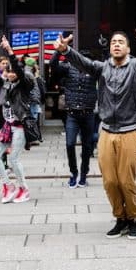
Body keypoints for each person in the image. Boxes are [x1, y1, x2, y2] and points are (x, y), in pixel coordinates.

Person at [55, 28, 136, 239]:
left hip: (130, 132)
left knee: (126, 181)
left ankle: (133, 218)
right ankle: (120, 218)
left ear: (128, 48)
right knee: (110, 181)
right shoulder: (102, 69)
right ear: (110, 48)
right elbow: (83, 62)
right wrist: (66, 50)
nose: (117, 45)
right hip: (107, 132)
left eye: (121, 42)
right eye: (114, 42)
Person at [0, 37, 35, 204]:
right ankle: (8, 185)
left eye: (13, 71)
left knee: (13, 159)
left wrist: (10, 51)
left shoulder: (25, 85)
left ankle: (23, 189)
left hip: (20, 127)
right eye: (8, 71)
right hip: (7, 126)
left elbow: (20, 73)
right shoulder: (6, 84)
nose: (10, 73)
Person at [50, 47, 97, 188]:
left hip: (88, 113)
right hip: (72, 114)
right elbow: (53, 65)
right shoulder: (68, 68)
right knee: (70, 144)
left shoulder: (93, 69)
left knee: (87, 146)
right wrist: (58, 51)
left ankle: (83, 174)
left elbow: (107, 69)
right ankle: (74, 173)